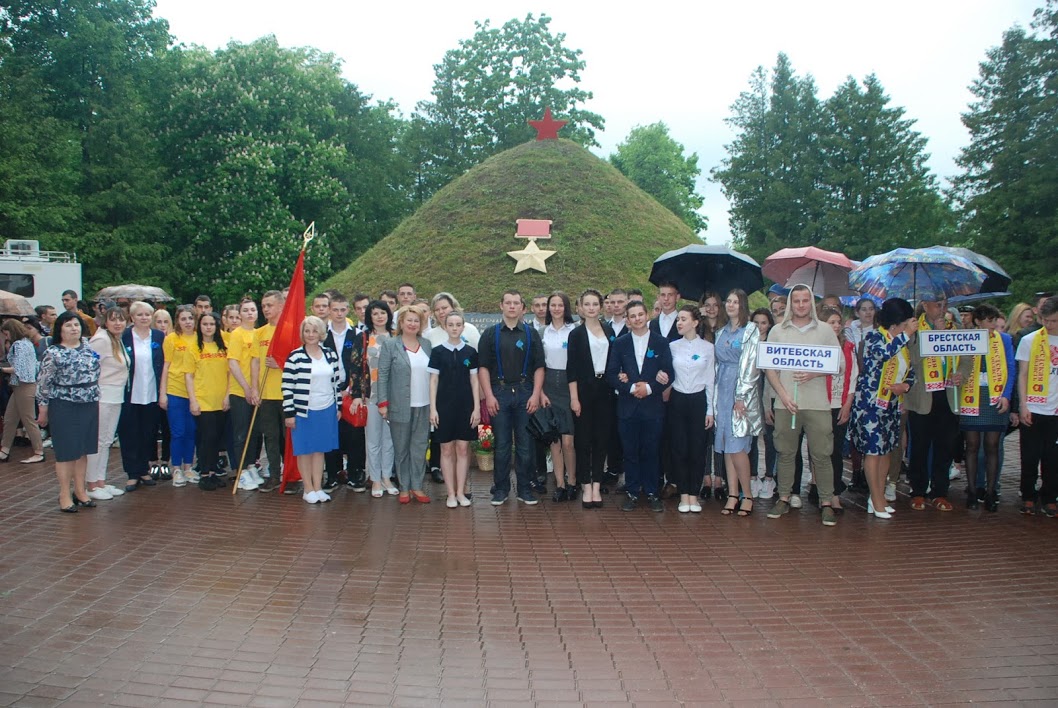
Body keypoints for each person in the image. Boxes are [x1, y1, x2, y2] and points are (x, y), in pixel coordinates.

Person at [765, 285, 841, 526]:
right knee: (785, 452)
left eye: (805, 300)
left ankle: (826, 502)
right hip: (786, 403)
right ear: (790, 303)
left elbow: (838, 364)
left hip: (818, 404)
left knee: (822, 454)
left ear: (811, 302)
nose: (800, 305)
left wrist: (814, 373)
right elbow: (769, 368)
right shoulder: (778, 331)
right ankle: (784, 497)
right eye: (796, 300)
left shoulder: (825, 330)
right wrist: (782, 395)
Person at [849, 298, 918, 519]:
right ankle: (876, 499)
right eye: (905, 323)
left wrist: (905, 386)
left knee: (886, 450)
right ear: (896, 323)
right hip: (870, 405)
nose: (908, 327)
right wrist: (906, 335)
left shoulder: (902, 342)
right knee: (873, 451)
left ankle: (877, 496)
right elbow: (884, 354)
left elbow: (910, 370)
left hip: (891, 405)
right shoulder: (874, 338)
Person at [478, 290, 545, 506]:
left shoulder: (531, 334)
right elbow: (483, 368)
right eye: (508, 302)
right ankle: (501, 488)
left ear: (522, 308)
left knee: (525, 444)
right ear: (501, 305)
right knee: (502, 445)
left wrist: (535, 394)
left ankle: (524, 488)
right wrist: (489, 396)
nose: (512, 306)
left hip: (525, 392)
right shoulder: (490, 334)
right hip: (500, 393)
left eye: (516, 303)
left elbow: (539, 367)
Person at [607, 300, 674, 513]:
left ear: (647, 316)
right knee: (630, 451)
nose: (637, 319)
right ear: (627, 320)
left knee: (651, 451)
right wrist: (631, 387)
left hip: (652, 407)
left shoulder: (661, 342)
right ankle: (632, 492)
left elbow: (669, 372)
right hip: (627, 407)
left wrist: (650, 388)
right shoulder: (620, 343)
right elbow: (611, 373)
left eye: (640, 314)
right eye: (632, 316)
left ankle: (652, 492)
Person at [905, 295, 970, 512]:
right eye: (937, 305)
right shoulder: (914, 329)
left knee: (945, 446)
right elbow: (913, 360)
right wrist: (935, 336)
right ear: (925, 306)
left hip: (948, 395)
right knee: (920, 446)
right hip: (923, 396)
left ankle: (940, 491)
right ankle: (918, 491)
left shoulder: (955, 329)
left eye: (944, 305)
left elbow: (967, 359)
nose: (942, 309)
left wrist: (961, 374)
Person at [36, 311, 101, 512]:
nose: (74, 328)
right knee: (66, 451)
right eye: (68, 325)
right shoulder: (53, 352)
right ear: (60, 330)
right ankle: (64, 494)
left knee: (83, 450)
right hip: (64, 404)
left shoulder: (88, 347)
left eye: (76, 324)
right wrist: (43, 409)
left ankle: (80, 491)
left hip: (89, 403)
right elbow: (43, 383)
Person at [958, 304, 1014, 512]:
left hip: (994, 395)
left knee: (992, 445)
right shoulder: (966, 338)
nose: (993, 325)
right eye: (989, 321)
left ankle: (991, 492)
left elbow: (1011, 368)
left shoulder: (1004, 339)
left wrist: (1006, 395)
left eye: (994, 320)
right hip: (971, 395)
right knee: (972, 445)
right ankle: (972, 491)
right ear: (978, 322)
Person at [377, 305, 432, 503]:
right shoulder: (390, 345)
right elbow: (383, 375)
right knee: (401, 448)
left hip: (424, 404)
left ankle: (417, 486)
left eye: (416, 321)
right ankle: (404, 487)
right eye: (409, 320)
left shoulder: (426, 344)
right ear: (401, 322)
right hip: (399, 405)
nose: (412, 324)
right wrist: (383, 403)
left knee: (419, 447)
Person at [282, 316, 341, 504]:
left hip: (326, 409)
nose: (310, 334)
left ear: (321, 333)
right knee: (305, 450)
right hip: (303, 411)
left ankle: (318, 487)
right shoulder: (295, 356)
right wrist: (289, 413)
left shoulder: (330, 354)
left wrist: (338, 406)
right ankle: (307, 489)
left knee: (320, 450)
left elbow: (336, 383)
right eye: (307, 331)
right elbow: (287, 386)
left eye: (314, 331)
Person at [714, 290, 762, 517]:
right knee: (726, 444)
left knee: (738, 446)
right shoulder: (721, 331)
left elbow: (751, 364)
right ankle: (732, 493)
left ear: (743, 305)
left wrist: (741, 396)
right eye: (729, 301)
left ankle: (747, 495)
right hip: (722, 390)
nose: (731, 305)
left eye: (736, 302)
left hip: (740, 390)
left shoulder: (750, 330)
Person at [567, 289, 615, 508]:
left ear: (601, 307)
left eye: (595, 304)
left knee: (601, 439)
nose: (591, 308)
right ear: (580, 307)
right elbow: (572, 369)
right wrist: (574, 398)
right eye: (587, 304)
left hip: (605, 390)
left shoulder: (609, 330)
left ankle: (597, 484)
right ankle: (586, 484)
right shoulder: (576, 335)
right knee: (583, 440)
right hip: (583, 391)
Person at [428, 311, 480, 508]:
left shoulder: (470, 352)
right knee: (446, 449)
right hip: (444, 406)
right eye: (451, 324)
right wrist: (433, 409)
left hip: (466, 406)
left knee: (463, 448)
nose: (455, 328)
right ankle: (450, 493)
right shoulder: (437, 352)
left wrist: (476, 408)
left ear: (463, 327)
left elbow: (474, 381)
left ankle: (460, 492)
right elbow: (433, 381)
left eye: (458, 324)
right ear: (445, 326)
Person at [666, 305, 715, 513]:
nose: (679, 323)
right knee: (679, 448)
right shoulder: (672, 346)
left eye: (684, 319)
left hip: (698, 400)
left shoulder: (708, 348)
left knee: (697, 449)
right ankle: (683, 494)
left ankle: (694, 494)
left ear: (695, 322)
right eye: (678, 319)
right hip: (677, 399)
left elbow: (710, 379)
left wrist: (710, 410)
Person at [349, 300, 398, 497]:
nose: (379, 317)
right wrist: (356, 396)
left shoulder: (396, 336)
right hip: (371, 396)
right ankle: (375, 478)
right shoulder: (363, 338)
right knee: (373, 439)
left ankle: (387, 477)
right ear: (369, 317)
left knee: (389, 439)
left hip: (393, 396)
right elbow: (354, 367)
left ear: (388, 314)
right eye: (375, 313)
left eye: (382, 312)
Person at [1016, 295, 1058, 516]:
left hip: (1055, 409)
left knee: (1053, 457)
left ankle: (1050, 497)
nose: (1049, 325)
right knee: (1030, 455)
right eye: (1045, 320)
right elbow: (1022, 374)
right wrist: (1023, 405)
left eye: (1054, 321)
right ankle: (1028, 495)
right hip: (1034, 406)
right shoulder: (1029, 340)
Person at [83, 308, 130, 499]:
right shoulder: (101, 340)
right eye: (113, 320)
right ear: (106, 322)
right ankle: (91, 485)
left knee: (107, 440)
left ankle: (100, 481)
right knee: (98, 441)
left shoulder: (116, 339)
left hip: (116, 395)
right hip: (102, 396)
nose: (118, 323)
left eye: (121, 319)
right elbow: (88, 367)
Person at [119, 302, 166, 490]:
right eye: (140, 314)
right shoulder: (124, 336)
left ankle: (144, 470)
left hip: (152, 393)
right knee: (129, 434)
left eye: (147, 314)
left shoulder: (159, 336)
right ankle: (132, 473)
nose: (144, 318)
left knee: (149, 433)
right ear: (132, 317)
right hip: (130, 393)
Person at [323, 293, 366, 493]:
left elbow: (360, 365)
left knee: (354, 433)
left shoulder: (357, 334)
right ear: (329, 311)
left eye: (342, 310)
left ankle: (355, 472)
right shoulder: (322, 334)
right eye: (335, 310)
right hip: (328, 391)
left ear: (348, 310)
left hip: (351, 391)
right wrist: (333, 391)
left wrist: (350, 389)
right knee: (331, 432)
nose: (339, 314)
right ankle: (333, 473)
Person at [186, 311, 230, 490]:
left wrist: (227, 396)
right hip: (203, 400)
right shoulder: (194, 348)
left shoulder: (224, 347)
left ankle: (212, 472)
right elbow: (189, 376)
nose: (208, 327)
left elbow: (229, 374)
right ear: (199, 326)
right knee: (207, 438)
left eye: (212, 324)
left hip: (220, 400)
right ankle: (204, 474)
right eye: (205, 324)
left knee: (217, 439)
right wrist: (193, 400)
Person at [541, 291, 577, 501]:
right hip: (549, 387)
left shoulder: (574, 331)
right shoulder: (542, 332)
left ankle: (572, 481)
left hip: (568, 385)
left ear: (566, 308)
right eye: (553, 305)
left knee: (568, 442)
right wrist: (541, 392)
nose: (556, 309)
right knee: (554, 441)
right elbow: (538, 365)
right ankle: (560, 484)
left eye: (560, 305)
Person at [821, 306, 857, 513]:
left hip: (839, 404)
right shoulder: (816, 346)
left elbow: (852, 379)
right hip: (820, 405)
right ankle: (822, 492)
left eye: (838, 322)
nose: (836, 326)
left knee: (835, 452)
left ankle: (834, 494)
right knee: (821, 452)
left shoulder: (848, 347)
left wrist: (847, 405)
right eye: (831, 322)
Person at [228, 297, 264, 491]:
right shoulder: (237, 334)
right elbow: (233, 362)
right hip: (240, 391)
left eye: (253, 310)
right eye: (246, 310)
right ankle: (240, 471)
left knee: (254, 432)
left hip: (256, 391)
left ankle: (251, 466)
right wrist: (246, 388)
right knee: (241, 433)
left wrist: (255, 388)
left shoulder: (259, 333)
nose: (250, 313)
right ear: (240, 314)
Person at [160, 305, 198, 487]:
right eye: (183, 319)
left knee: (191, 431)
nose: (187, 322)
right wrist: (162, 393)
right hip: (175, 390)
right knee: (178, 432)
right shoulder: (171, 339)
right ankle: (176, 468)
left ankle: (188, 466)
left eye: (190, 318)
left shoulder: (200, 338)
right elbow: (166, 366)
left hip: (195, 392)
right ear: (177, 321)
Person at [254, 290, 288, 492]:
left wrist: (280, 364)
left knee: (288, 437)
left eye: (270, 305)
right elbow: (255, 362)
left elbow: (299, 361)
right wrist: (254, 388)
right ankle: (274, 474)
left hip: (287, 394)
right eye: (263, 306)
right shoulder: (259, 333)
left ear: (281, 306)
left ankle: (290, 474)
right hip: (266, 393)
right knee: (271, 436)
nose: (266, 309)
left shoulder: (291, 331)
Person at [0, 319, 45, 465]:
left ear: (11, 332)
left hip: (23, 386)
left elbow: (18, 369)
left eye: (7, 333)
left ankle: (38, 451)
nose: (6, 337)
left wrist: (2, 369)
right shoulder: (26, 343)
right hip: (24, 385)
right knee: (10, 419)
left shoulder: (19, 345)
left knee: (27, 420)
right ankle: (4, 450)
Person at [697, 290, 726, 499]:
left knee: (720, 434)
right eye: (707, 304)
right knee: (705, 435)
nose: (712, 309)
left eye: (715, 304)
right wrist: (698, 321)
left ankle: (720, 479)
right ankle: (706, 478)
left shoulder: (727, 329)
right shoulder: (699, 329)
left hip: (723, 385)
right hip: (702, 386)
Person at [748, 308, 776, 499]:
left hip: (769, 394)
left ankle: (769, 477)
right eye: (756, 322)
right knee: (752, 438)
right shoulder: (747, 343)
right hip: (751, 394)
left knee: (770, 438)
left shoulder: (774, 344)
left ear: (769, 324)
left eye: (763, 322)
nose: (760, 326)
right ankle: (752, 476)